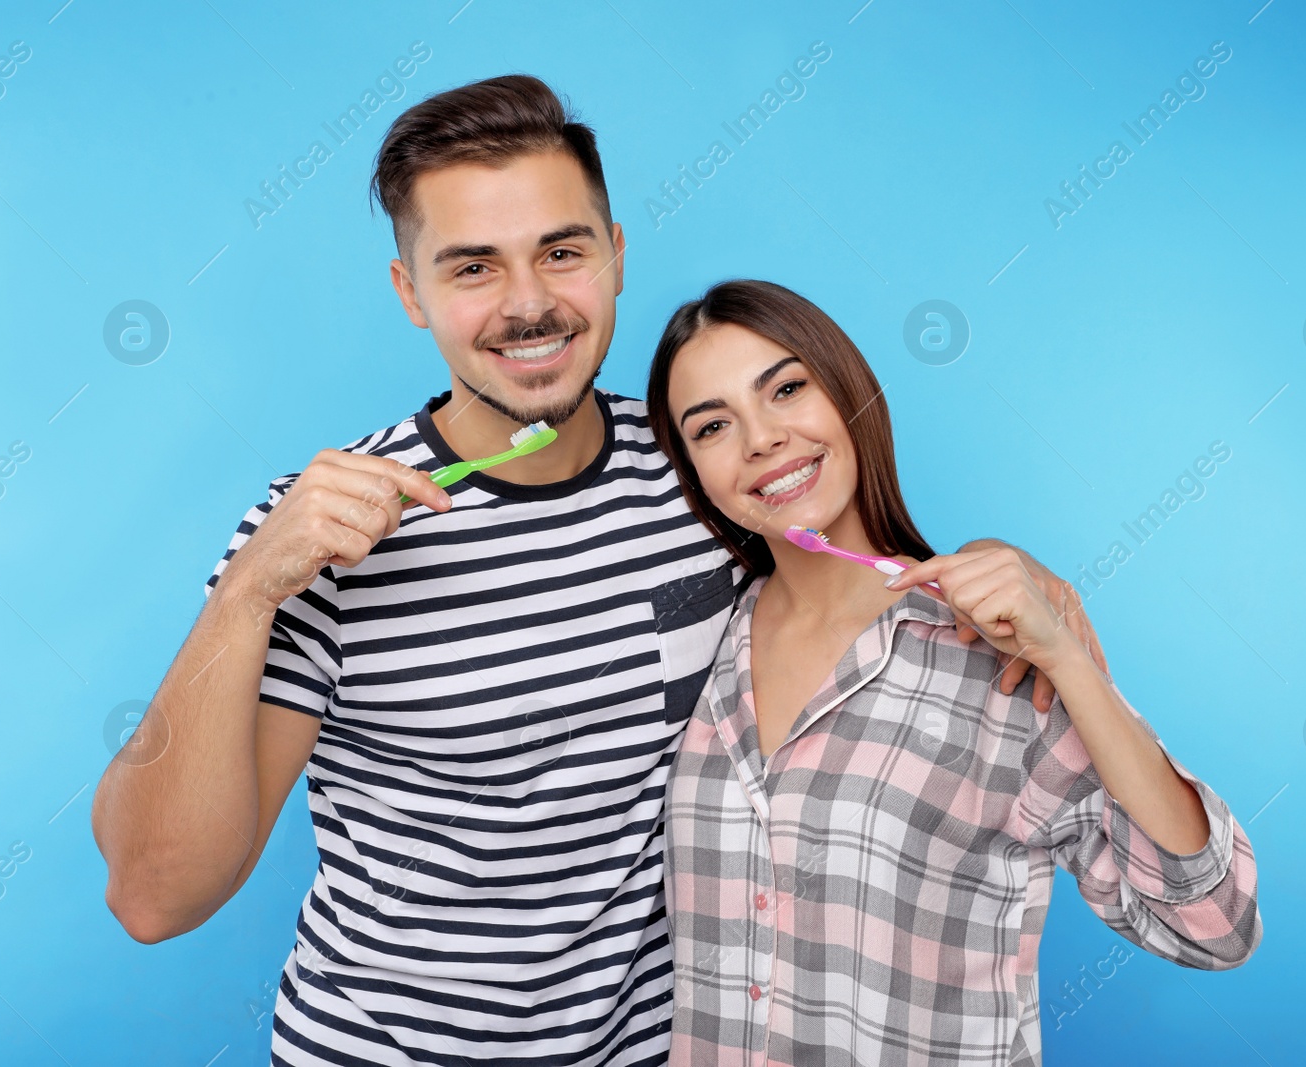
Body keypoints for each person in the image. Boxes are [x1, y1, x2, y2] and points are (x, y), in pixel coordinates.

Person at [88, 76, 1099, 1066]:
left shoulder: (704, 464)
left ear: (614, 257)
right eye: (472, 266)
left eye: (560, 251)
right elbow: (154, 894)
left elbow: (851, 574)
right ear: (411, 293)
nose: (529, 305)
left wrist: (1013, 592)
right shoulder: (324, 533)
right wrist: (249, 588)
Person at [646, 280, 1263, 1066]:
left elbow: (1216, 924)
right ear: (692, 469)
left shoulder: (995, 664)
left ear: (849, 394)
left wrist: (1069, 663)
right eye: (712, 426)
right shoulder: (699, 641)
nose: (761, 439)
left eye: (788, 388)